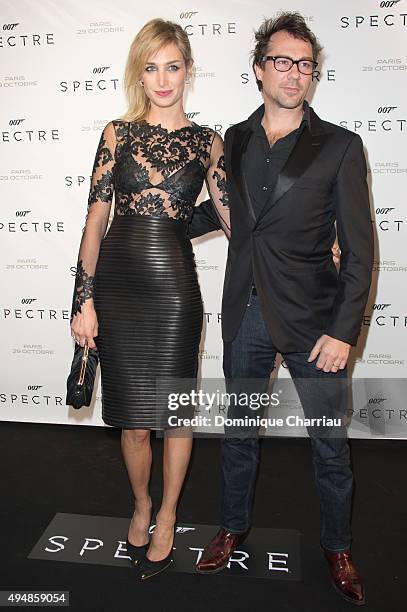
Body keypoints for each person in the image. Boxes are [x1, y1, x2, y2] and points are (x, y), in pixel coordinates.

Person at [188, 12, 373, 606]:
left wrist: (345, 331)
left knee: (329, 444)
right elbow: (221, 216)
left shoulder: (341, 146)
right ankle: (232, 526)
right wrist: (149, 224)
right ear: (259, 69)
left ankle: (337, 546)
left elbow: (363, 253)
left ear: (312, 75)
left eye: (304, 64)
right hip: (245, 313)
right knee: (238, 433)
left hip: (315, 323)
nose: (294, 74)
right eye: (282, 61)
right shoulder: (233, 140)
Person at [69, 18, 229, 580]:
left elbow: (237, 219)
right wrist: (81, 300)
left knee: (176, 417)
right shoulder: (117, 133)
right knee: (135, 423)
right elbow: (95, 222)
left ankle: (167, 513)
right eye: (152, 67)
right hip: (118, 287)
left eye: (174, 66)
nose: (163, 79)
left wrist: (309, 242)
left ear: (188, 69)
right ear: (140, 72)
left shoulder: (210, 143)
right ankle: (140, 502)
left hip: (176, 293)